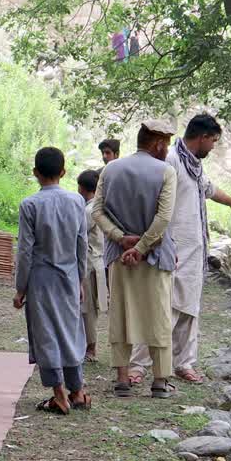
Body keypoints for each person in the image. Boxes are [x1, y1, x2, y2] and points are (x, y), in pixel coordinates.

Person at [128, 114, 231, 384]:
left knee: (189, 309)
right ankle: (138, 365)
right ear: (203, 137)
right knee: (163, 307)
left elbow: (208, 189)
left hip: (195, 249)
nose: (213, 147)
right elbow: (154, 199)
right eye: (213, 141)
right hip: (172, 248)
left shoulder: (194, 165)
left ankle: (183, 362)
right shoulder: (171, 160)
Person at [91, 120, 178, 398]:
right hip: (154, 257)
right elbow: (163, 218)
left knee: (121, 314)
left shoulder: (111, 169)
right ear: (159, 144)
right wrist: (141, 247)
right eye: (166, 144)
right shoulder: (166, 172)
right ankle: (160, 381)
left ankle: (121, 379)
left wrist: (120, 237)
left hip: (119, 256)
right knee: (159, 316)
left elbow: (97, 211)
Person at [14, 146, 90, 415]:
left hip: (41, 279)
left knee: (46, 334)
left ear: (35, 173)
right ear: (63, 172)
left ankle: (59, 395)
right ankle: (78, 390)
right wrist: (80, 280)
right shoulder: (77, 202)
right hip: (69, 276)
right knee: (70, 331)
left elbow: (25, 250)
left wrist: (20, 288)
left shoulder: (30, 205)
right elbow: (82, 245)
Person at [78, 140, 120, 361]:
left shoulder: (89, 209)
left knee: (89, 310)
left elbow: (79, 235)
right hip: (98, 262)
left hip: (90, 263)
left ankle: (91, 348)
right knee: (91, 307)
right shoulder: (99, 206)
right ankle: (89, 346)